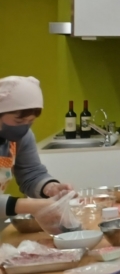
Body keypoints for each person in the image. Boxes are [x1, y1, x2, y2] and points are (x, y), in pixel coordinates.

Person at [0, 76, 74, 223]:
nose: (24, 127)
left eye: (30, 121)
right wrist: (33, 206)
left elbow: (31, 173)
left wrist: (50, 187)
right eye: (19, 121)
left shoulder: (22, 137)